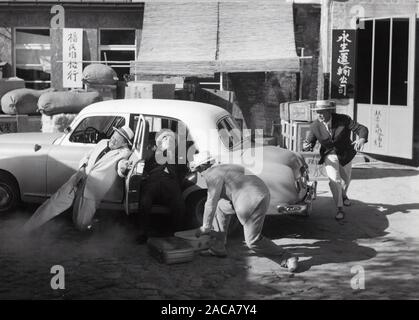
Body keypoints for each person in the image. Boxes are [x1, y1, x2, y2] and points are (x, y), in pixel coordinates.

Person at [192, 159, 299, 273]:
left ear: (202, 167)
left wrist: (205, 226)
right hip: (260, 193)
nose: (201, 175)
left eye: (199, 171)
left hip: (251, 200)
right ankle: (218, 247)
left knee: (252, 241)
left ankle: (287, 257)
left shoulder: (212, 174)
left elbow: (210, 202)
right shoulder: (224, 167)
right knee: (221, 207)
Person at [23, 125, 134, 232]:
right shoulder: (103, 142)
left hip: (93, 190)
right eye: (114, 137)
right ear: (113, 133)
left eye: (117, 141)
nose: (113, 141)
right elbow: (87, 156)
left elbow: (121, 166)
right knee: (53, 203)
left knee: (81, 224)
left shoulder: (124, 153)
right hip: (78, 179)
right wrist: (82, 168)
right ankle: (28, 227)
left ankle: (92, 230)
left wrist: (123, 168)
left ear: (124, 143)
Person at [302, 100, 369, 220]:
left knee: (346, 180)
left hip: (345, 154)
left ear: (329, 111)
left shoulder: (344, 119)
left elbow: (361, 128)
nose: (319, 115)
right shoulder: (314, 126)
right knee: (334, 181)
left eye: (322, 112)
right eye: (317, 112)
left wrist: (361, 139)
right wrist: (307, 145)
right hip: (329, 155)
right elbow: (310, 142)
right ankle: (340, 208)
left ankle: (343, 195)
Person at [133, 128, 187, 243]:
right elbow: (143, 164)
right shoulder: (152, 151)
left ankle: (177, 233)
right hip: (153, 180)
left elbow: (183, 170)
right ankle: (143, 233)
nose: (168, 140)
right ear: (159, 141)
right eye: (165, 138)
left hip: (170, 181)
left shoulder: (179, 155)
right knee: (144, 201)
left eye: (170, 138)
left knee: (179, 204)